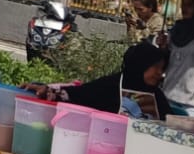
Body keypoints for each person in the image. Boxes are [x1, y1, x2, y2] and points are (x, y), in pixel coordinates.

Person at [31, 42, 172, 118]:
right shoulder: (110, 85)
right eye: (156, 68)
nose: (160, 73)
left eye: (162, 68)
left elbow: (170, 121)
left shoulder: (157, 95)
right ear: (141, 65)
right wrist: (45, 89)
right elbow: (79, 93)